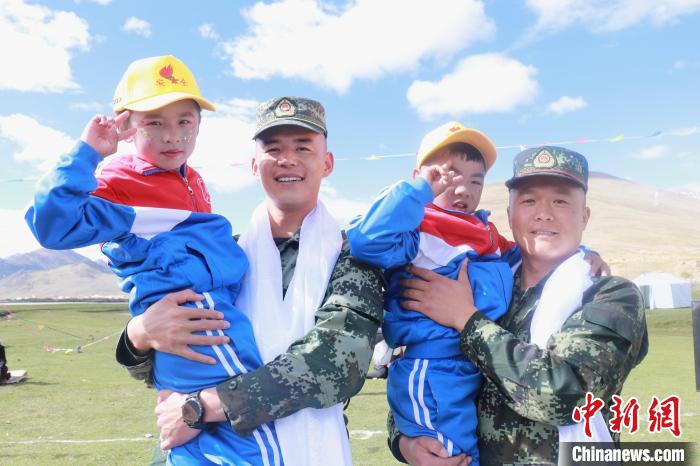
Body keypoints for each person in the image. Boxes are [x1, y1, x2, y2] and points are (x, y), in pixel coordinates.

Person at [25, 55, 283, 465]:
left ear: (199, 125)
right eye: (154, 123)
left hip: (200, 323)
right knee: (255, 440)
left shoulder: (193, 180)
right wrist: (87, 153)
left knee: (202, 440)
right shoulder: (119, 180)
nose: (172, 136)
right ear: (126, 127)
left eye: (184, 121)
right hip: (200, 325)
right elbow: (52, 226)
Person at [115, 96, 385, 466]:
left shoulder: (350, 256)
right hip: (201, 452)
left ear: (327, 163)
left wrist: (202, 406)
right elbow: (169, 359)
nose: (287, 159)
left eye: (303, 147)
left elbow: (336, 363)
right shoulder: (221, 257)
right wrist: (139, 334)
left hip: (302, 449)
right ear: (255, 165)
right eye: (273, 148)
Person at [389, 146, 649, 466]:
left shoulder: (609, 294)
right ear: (509, 214)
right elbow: (425, 373)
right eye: (528, 201)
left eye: (561, 201)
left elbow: (566, 396)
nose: (544, 213)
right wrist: (406, 442)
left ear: (584, 216)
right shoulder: (483, 284)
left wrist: (466, 319)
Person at [347, 122, 518, 463]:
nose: (463, 189)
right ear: (420, 177)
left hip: (477, 364)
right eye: (448, 176)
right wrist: (418, 192)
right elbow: (366, 241)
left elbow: (525, 258)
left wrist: (583, 256)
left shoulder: (485, 232)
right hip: (435, 370)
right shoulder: (417, 229)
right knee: (450, 456)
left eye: (476, 181)